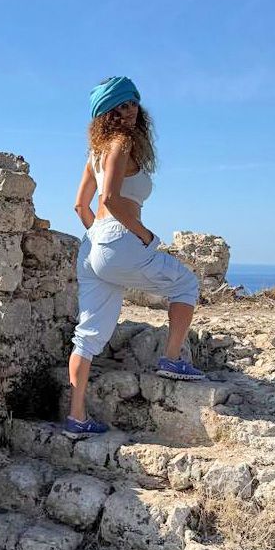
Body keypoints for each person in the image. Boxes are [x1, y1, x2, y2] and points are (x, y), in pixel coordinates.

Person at [64, 76, 204, 436]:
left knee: (88, 335)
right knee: (186, 283)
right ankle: (171, 360)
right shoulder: (122, 142)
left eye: (133, 103)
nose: (130, 111)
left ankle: (76, 418)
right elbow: (109, 198)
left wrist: (100, 237)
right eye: (121, 105)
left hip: (92, 245)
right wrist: (143, 235)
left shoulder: (95, 152)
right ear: (106, 112)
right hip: (119, 238)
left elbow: (81, 205)